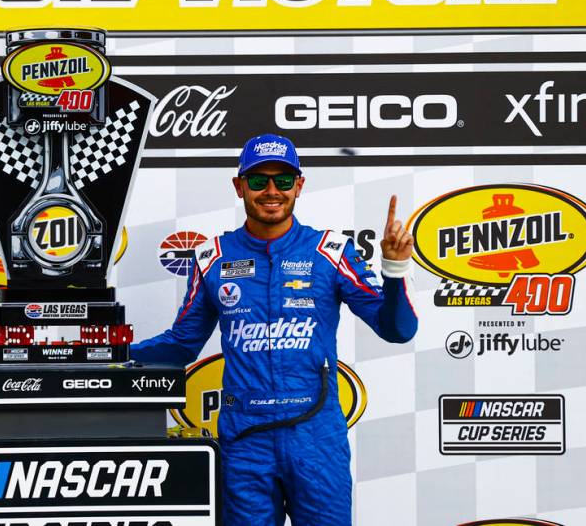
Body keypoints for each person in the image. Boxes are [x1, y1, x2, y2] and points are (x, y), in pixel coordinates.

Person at [131, 133, 418, 526]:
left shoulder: (331, 253)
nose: (271, 191)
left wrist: (395, 269)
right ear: (239, 186)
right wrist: (108, 355)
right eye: (258, 180)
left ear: (299, 186)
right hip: (245, 443)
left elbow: (397, 330)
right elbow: (181, 345)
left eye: (283, 181)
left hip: (316, 441)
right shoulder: (212, 257)